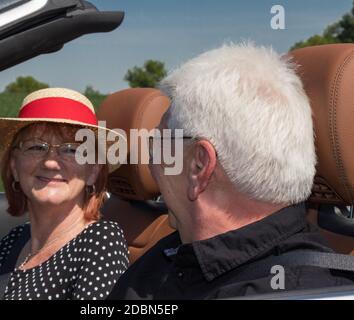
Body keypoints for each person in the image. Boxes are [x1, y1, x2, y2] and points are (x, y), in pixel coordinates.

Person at [108, 43, 354, 300]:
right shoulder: (174, 254)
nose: (150, 161)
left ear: (199, 166)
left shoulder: (295, 293)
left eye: (157, 142)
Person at [0, 88, 129, 300]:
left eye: (71, 149)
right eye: (36, 147)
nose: (51, 162)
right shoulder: (14, 241)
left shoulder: (101, 241)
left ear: (93, 172)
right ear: (14, 167)